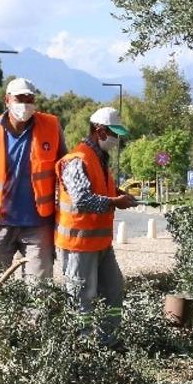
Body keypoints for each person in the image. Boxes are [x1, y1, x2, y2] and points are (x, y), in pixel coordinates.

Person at [0, 77, 67, 283]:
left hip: (38, 225)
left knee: (39, 289)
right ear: (7, 100)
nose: (25, 104)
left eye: (30, 99)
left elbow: (65, 169)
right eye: (20, 99)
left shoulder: (51, 126)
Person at [56, 106, 137, 346]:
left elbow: (100, 190)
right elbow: (82, 200)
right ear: (100, 131)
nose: (116, 140)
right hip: (78, 243)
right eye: (113, 134)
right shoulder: (77, 160)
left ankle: (108, 341)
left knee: (113, 289)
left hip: (100, 243)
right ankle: (83, 347)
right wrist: (114, 202)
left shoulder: (99, 160)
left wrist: (119, 194)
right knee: (82, 298)